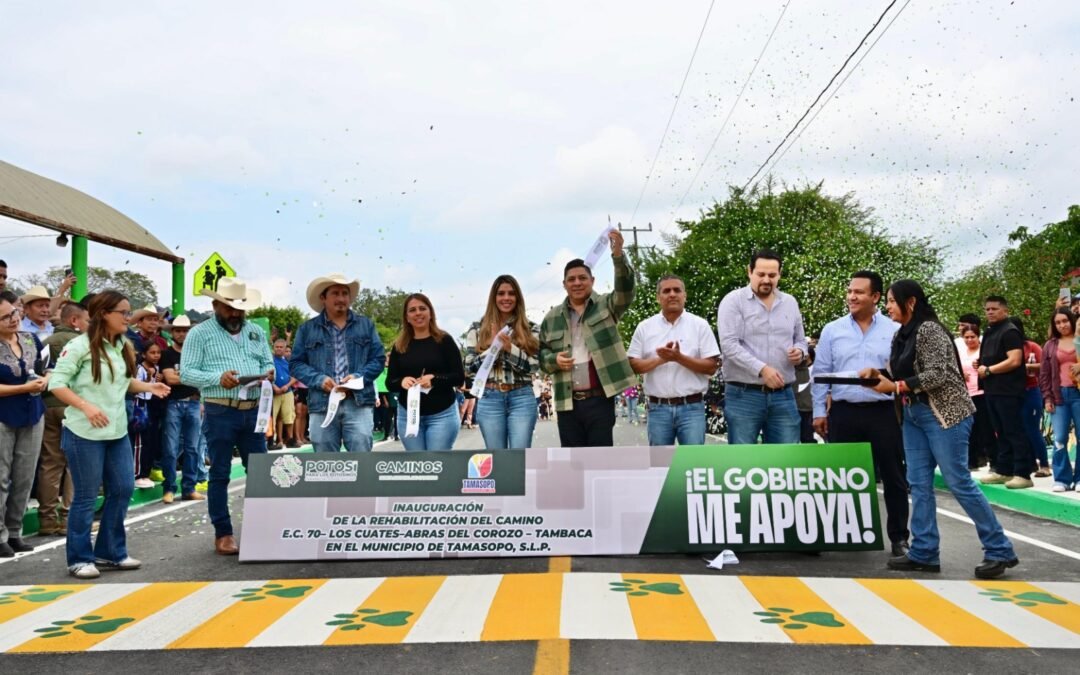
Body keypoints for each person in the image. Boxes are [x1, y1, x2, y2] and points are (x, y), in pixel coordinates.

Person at [859, 280, 1018, 579]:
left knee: (958, 481)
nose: (888, 307)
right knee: (918, 484)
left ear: (911, 303)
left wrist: (895, 385)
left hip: (945, 414)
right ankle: (924, 552)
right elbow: (903, 370)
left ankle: (1000, 550)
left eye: (893, 301)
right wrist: (877, 374)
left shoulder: (929, 329)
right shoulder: (902, 334)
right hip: (915, 414)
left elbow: (938, 373)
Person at [48, 290, 170, 577]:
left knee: (123, 489)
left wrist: (149, 387)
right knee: (86, 496)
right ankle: (79, 558)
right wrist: (85, 406)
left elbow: (124, 382)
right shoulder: (78, 347)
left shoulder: (122, 346)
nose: (129, 318)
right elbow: (57, 384)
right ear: (104, 314)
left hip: (116, 431)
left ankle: (110, 552)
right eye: (124, 313)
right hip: (84, 433)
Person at [812, 271, 909, 557]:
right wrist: (819, 411)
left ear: (876, 297)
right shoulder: (832, 330)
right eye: (849, 291)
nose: (852, 297)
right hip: (844, 411)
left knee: (893, 476)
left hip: (883, 412)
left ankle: (899, 537)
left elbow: (901, 372)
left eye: (859, 292)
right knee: (838, 477)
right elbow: (821, 374)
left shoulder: (894, 330)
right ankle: (840, 534)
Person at [180, 278, 273, 556]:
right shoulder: (199, 334)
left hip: (254, 410)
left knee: (260, 473)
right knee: (219, 472)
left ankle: (264, 529)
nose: (235, 314)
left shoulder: (255, 331)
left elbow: (267, 362)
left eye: (239, 309)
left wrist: (268, 373)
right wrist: (217, 378)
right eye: (229, 308)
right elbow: (186, 373)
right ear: (215, 305)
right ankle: (223, 533)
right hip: (220, 409)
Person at [539, 230, 636, 447]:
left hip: (600, 398)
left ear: (592, 280)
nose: (577, 283)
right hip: (567, 402)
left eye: (582, 278)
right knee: (573, 463)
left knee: (600, 461)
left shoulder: (606, 305)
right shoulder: (551, 317)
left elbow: (626, 291)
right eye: (571, 279)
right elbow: (541, 355)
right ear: (564, 284)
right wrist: (554, 360)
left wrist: (618, 256)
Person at [716, 249, 808, 445]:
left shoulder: (790, 303)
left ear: (780, 275)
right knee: (743, 463)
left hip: (784, 394)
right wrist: (762, 369)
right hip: (743, 395)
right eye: (761, 274)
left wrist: (800, 352)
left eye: (772, 275)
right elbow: (729, 345)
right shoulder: (733, 301)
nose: (766, 280)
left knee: (786, 461)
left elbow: (801, 340)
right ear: (749, 271)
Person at [290, 274, 385, 452]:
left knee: (361, 458)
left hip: (359, 402)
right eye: (335, 293)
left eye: (345, 293)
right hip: (322, 403)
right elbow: (295, 364)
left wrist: (357, 378)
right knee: (325, 463)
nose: (341, 298)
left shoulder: (366, 325)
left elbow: (378, 359)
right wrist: (319, 380)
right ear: (323, 298)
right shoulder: (307, 329)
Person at [628, 274, 720, 445]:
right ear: (658, 297)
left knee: (693, 466)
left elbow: (711, 366)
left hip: (692, 408)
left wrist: (679, 358)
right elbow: (633, 365)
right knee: (660, 467)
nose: (672, 294)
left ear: (684, 295)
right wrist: (661, 360)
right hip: (658, 409)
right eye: (666, 291)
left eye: (677, 290)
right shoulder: (645, 327)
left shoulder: (700, 325)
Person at [463, 274, 540, 450]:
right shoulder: (477, 328)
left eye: (511, 293)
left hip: (521, 396)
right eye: (501, 293)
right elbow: (469, 367)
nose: (506, 298)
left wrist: (509, 348)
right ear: (494, 297)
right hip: (490, 398)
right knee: (496, 459)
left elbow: (534, 366)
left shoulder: (531, 328)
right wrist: (492, 349)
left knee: (519, 457)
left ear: (518, 298)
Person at [0, 293, 48, 557]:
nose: (13, 319)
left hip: (33, 412)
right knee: (0, 477)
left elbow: (48, 366)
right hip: (3, 415)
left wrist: (45, 379)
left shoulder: (31, 339)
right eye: (6, 317)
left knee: (24, 476)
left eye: (14, 313)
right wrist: (25, 387)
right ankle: (0, 535)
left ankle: (15, 531)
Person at [386, 294, 464, 450]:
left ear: (430, 313)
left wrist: (435, 379)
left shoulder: (444, 341)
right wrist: (401, 382)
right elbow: (390, 382)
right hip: (408, 416)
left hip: (442, 415)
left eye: (422, 308)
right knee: (417, 466)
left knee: (437, 464)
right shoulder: (399, 345)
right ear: (407, 317)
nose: (418, 313)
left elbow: (459, 377)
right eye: (412, 310)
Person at [37, 301, 88, 535]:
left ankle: (47, 519)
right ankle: (68, 517)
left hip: (47, 405)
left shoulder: (46, 342)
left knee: (50, 462)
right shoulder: (81, 344)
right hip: (72, 405)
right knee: (73, 464)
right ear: (74, 321)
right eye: (86, 320)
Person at [976, 296, 1032, 489]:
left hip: (1008, 391)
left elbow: (1015, 360)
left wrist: (990, 370)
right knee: (1000, 432)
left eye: (994, 309)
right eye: (987, 309)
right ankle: (1004, 470)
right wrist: (982, 364)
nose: (990, 312)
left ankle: (1023, 473)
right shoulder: (991, 331)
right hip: (992, 390)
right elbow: (996, 357)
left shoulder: (1010, 331)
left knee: (1014, 431)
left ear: (1005, 311)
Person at [159, 315, 205, 504]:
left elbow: (203, 378)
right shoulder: (167, 354)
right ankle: (169, 488)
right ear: (172, 333)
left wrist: (182, 375)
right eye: (178, 330)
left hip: (194, 403)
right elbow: (170, 379)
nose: (181, 334)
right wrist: (191, 376)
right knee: (170, 449)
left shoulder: (197, 354)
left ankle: (189, 488)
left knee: (192, 448)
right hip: (174, 404)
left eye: (185, 331)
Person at [1039, 308, 1080, 492]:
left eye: (1065, 321)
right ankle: (1062, 478)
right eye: (1058, 322)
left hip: (1078, 393)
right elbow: (1044, 374)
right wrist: (1047, 397)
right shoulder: (1050, 345)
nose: (1062, 325)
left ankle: (1079, 478)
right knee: (1060, 438)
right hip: (1059, 396)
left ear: (1071, 320)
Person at [1009, 318, 1051, 477]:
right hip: (1012, 393)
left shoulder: (1031, 347)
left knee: (1032, 428)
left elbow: (1045, 366)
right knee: (1017, 429)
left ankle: (1044, 465)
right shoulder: (1004, 347)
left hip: (1031, 390)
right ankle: (1029, 462)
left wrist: (1023, 366)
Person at [957, 326, 996, 470]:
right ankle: (972, 461)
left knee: (986, 429)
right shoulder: (961, 353)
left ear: (978, 337)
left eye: (972, 337)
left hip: (982, 393)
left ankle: (994, 461)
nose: (969, 340)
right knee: (969, 430)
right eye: (966, 337)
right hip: (966, 394)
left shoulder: (984, 351)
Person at [131, 342, 165, 489]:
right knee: (139, 441)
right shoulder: (139, 368)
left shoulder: (157, 369)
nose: (156, 355)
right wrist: (148, 379)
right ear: (144, 354)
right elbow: (135, 387)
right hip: (140, 405)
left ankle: (146, 472)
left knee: (150, 441)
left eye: (158, 352)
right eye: (152, 352)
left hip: (151, 405)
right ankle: (137, 475)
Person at [269, 338, 298, 450]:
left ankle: (290, 440)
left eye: (281, 347)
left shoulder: (289, 362)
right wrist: (274, 386)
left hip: (287, 392)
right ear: (273, 348)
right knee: (273, 417)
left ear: (285, 348)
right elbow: (266, 375)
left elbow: (295, 376)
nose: (279, 349)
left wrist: (287, 385)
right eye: (277, 347)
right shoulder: (270, 361)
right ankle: (276, 440)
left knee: (289, 416)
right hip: (273, 392)